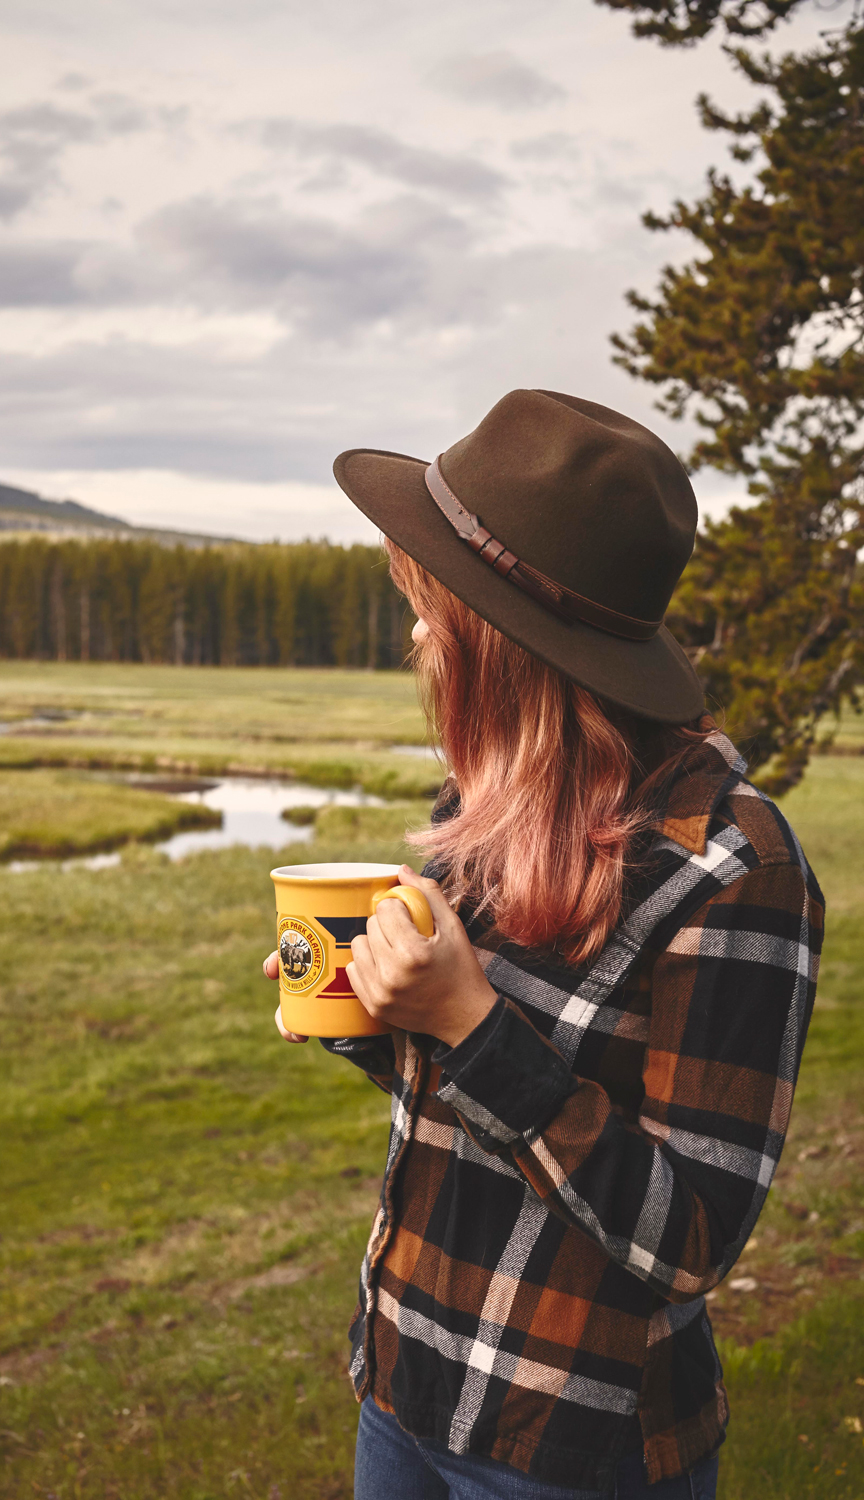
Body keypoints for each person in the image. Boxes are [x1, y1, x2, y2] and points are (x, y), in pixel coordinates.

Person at [262, 390, 824, 1499]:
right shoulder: (492, 798)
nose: (418, 634)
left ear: (507, 644)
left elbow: (689, 1240)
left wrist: (470, 1023)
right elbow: (440, 1084)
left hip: (573, 1443)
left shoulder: (734, 866)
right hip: (406, 1379)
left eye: (433, 610)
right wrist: (361, 1005)